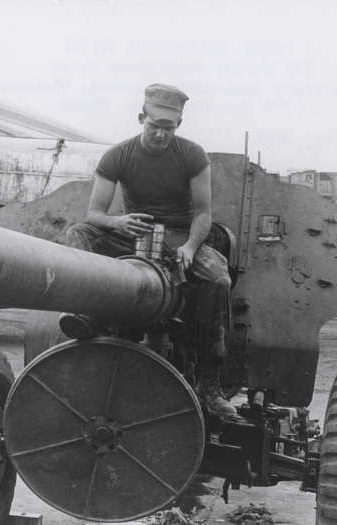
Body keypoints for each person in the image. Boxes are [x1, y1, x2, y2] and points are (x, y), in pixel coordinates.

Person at [60, 83, 236, 417]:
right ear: (142, 117)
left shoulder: (192, 155)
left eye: (168, 128)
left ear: (178, 126)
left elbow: (203, 213)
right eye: (154, 125)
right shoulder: (118, 156)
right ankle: (86, 315)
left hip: (179, 237)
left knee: (218, 279)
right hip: (132, 234)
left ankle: (209, 386)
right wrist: (118, 223)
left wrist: (189, 246)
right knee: (79, 234)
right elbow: (94, 213)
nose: (160, 134)